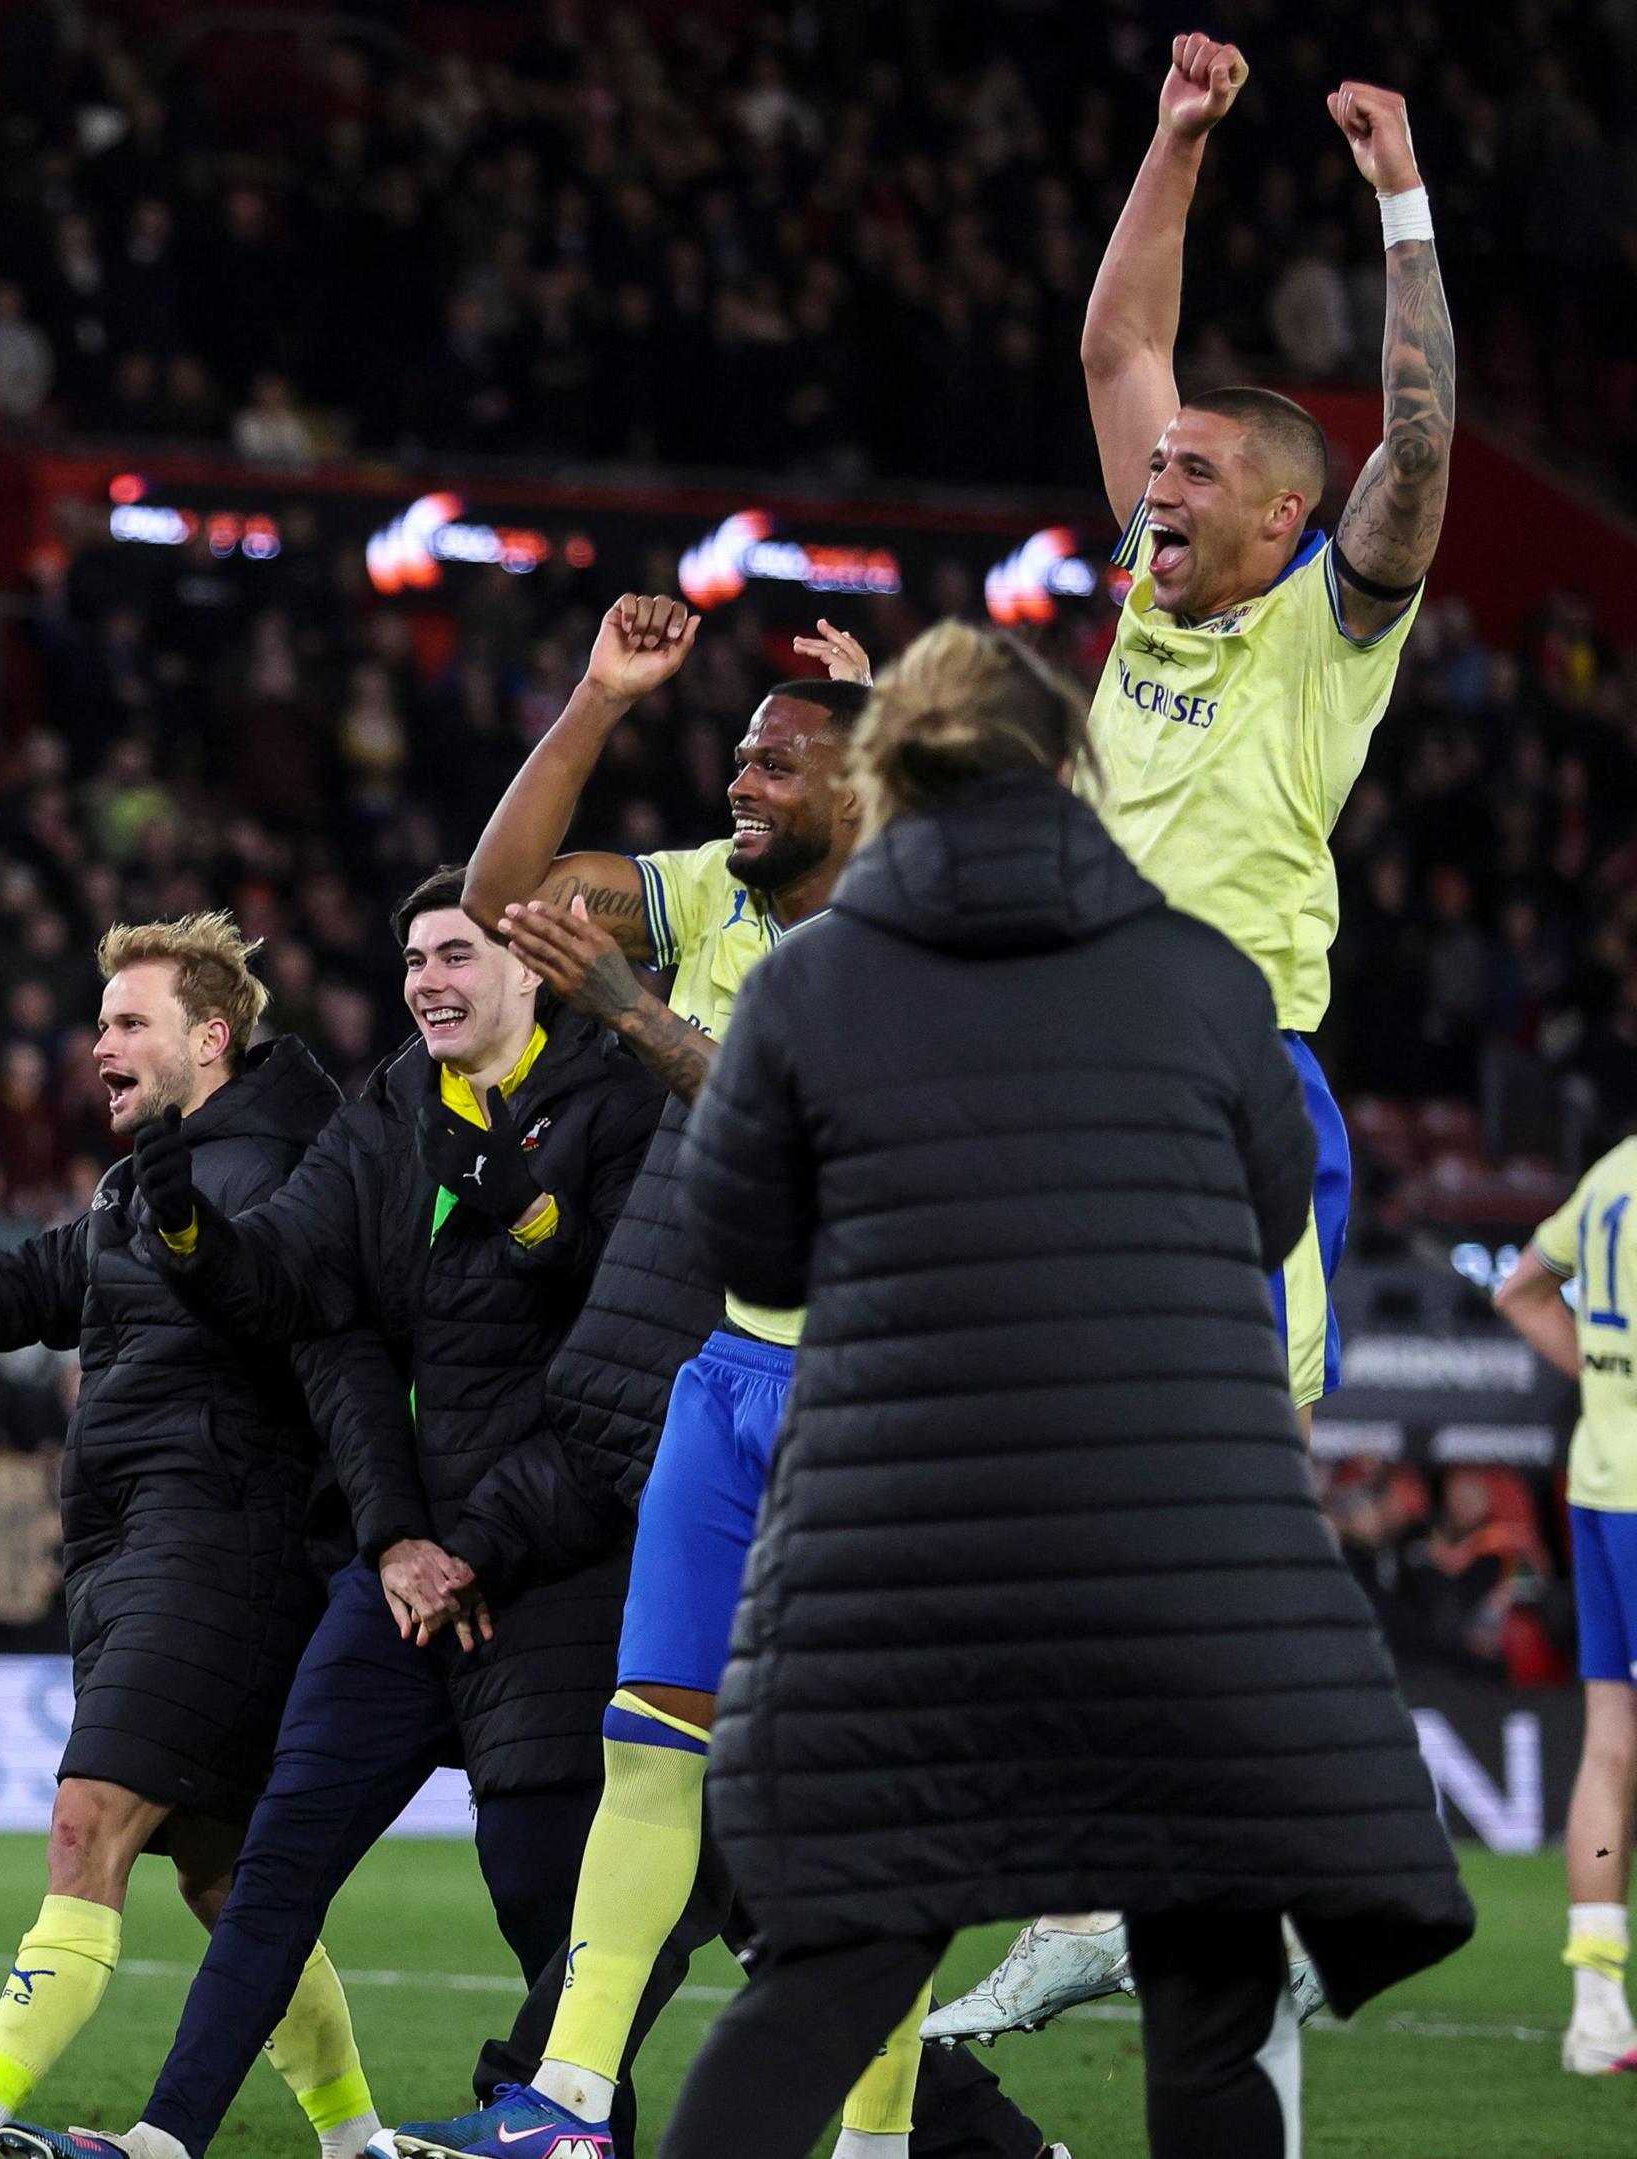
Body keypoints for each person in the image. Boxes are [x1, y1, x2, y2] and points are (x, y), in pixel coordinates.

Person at [652, 621, 1472, 2159]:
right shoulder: (1203, 974)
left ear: (892, 776)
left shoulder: (808, 982)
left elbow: (742, 1238)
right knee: (1210, 1990)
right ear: (1074, 769)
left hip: (900, 1552)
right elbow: (1274, 1212)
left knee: (827, 1977)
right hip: (1172, 1566)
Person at [932, 38, 1459, 2047]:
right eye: (1154, 482)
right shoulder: (1152, 615)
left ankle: (1329, 1864)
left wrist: (1398, 200)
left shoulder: (1334, 627)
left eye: (1194, 482)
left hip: (1238, 1098)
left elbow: (1421, 430)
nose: (1153, 500)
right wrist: (1172, 138)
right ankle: (1087, 1893)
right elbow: (1109, 350)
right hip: (1074, 1088)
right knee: (1068, 1504)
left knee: (1247, 1512)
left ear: (1292, 521)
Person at [11, 873, 684, 2159]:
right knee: (278, 1861)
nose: (427, 977)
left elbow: (613, 1370)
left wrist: (477, 1543)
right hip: (398, 1571)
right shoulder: (390, 1108)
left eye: (457, 953)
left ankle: (578, 2128)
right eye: (415, 956)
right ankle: (165, 2139)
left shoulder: (619, 1106)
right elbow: (296, 1288)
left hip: (553, 1571)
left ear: (533, 969)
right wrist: (193, 1231)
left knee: (550, 1898)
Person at [396, 603, 933, 2159]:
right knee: (653, 1736)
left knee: (850, 1786)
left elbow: (787, 1110)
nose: (744, 782)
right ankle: (565, 2104)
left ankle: (889, 2138)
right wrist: (595, 702)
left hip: (866, 1402)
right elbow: (499, 899)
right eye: (741, 756)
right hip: (730, 1371)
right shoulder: (711, 893)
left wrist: (628, 1011)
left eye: (781, 760)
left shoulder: (915, 933)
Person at [0, 912, 381, 2159]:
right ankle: (360, 2145)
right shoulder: (144, 1177)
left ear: (213, 1039)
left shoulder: (288, 1165)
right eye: (101, 1020)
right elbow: (36, 1277)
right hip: (135, 1540)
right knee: (228, 1874)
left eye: (131, 1022)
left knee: (88, 1821)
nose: (100, 1044)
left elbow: (263, 1296)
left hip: (223, 1533)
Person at [1491, 1136, 1637, 2074]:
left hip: (1602, 1482)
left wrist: (1608, 1388)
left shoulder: (1615, 1170)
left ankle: (1596, 2013)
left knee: (1611, 1743)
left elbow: (1521, 1291)